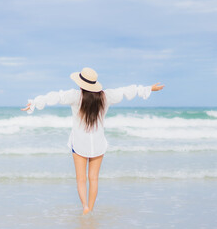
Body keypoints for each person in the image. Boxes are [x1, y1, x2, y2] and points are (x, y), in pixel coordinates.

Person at [21, 67, 164, 215]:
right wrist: (148, 89)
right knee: (93, 179)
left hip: (79, 143)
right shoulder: (105, 97)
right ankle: (91, 208)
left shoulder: (75, 96)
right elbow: (125, 91)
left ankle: (85, 208)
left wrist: (34, 103)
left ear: (81, 83)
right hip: (98, 143)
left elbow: (56, 96)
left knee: (81, 179)